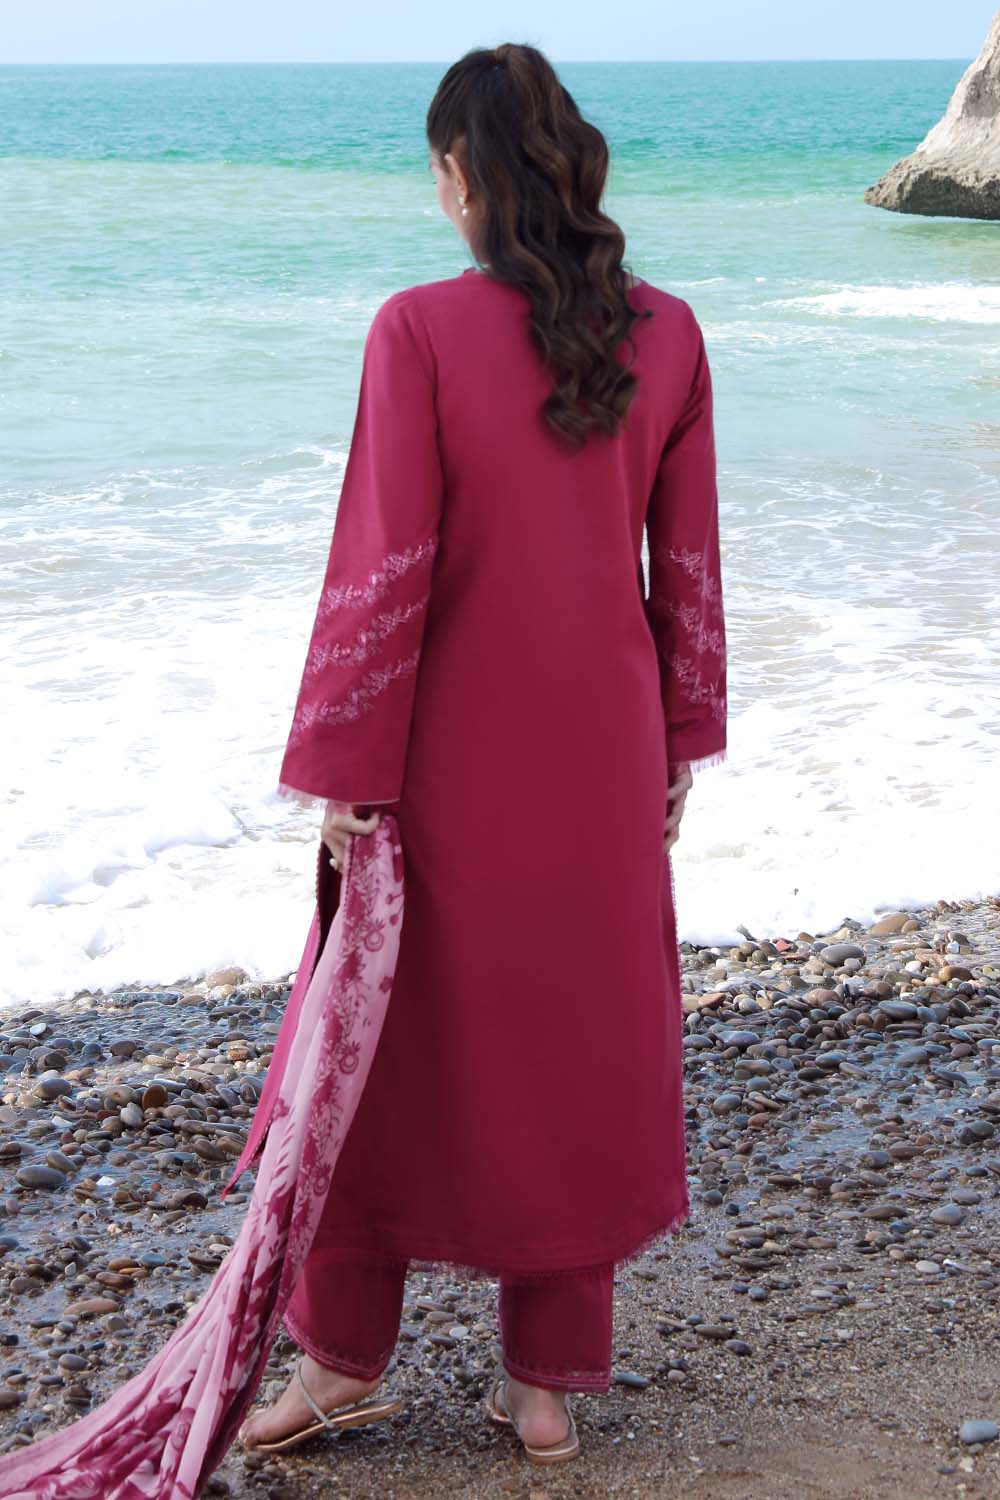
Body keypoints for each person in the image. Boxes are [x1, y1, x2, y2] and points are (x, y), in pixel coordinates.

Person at [239, 40, 727, 1467]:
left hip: (445, 753)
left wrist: (348, 766)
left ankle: (341, 1360)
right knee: (575, 1036)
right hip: (604, 750)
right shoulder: (672, 334)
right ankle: (545, 1389)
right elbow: (688, 565)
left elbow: (380, 562)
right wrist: (679, 739)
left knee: (380, 1033)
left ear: (461, 174)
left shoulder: (417, 330)